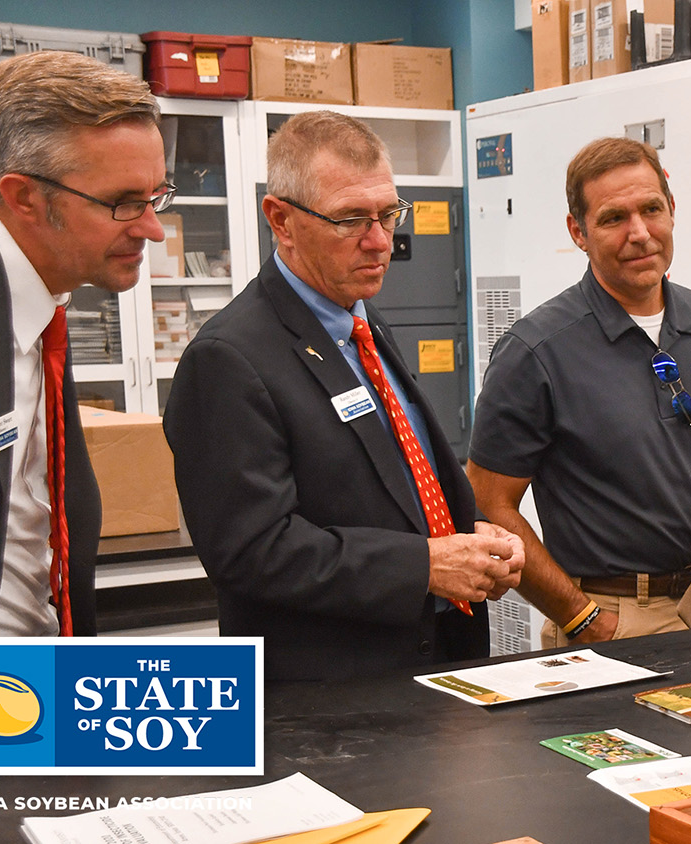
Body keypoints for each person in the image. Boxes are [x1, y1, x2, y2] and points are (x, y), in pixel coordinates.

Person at [164, 111, 523, 680]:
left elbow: (399, 472)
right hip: (328, 697)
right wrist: (422, 567)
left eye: (388, 214)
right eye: (351, 219)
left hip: (434, 662)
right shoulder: (228, 360)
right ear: (280, 220)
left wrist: (474, 533)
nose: (380, 241)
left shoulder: (362, 320)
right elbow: (251, 550)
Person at [0, 52, 171, 739]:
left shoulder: (43, 303)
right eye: (123, 203)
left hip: (36, 699)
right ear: (25, 196)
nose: (152, 228)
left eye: (157, 197)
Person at [467, 137, 691, 648]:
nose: (640, 233)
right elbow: (490, 504)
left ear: (672, 210)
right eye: (613, 218)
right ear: (578, 232)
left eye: (651, 209)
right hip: (615, 620)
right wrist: (582, 618)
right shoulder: (535, 352)